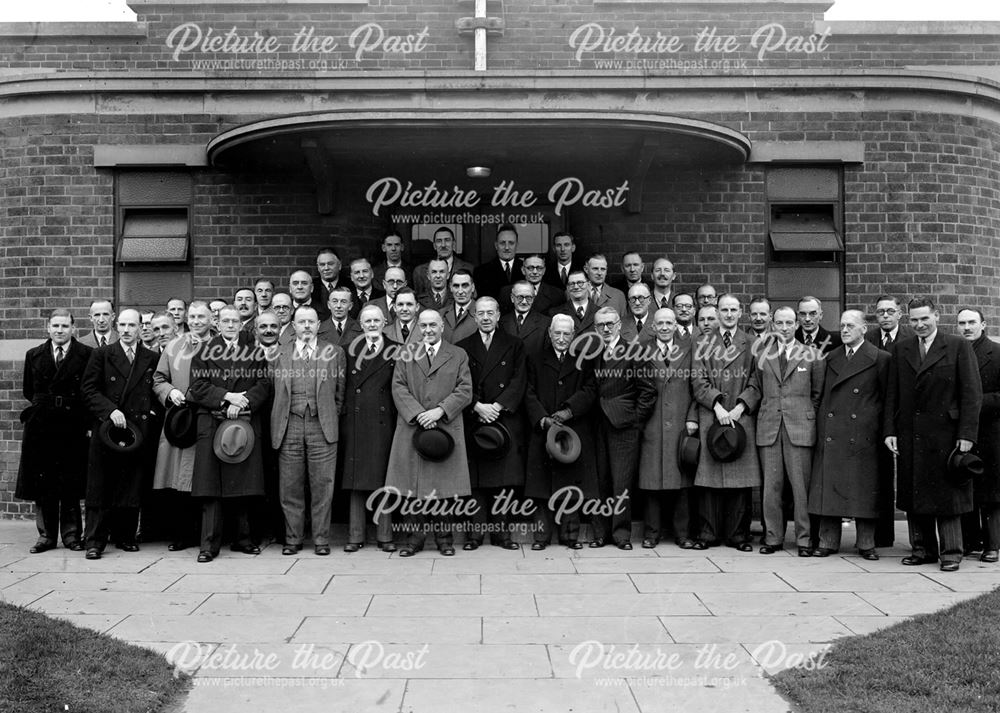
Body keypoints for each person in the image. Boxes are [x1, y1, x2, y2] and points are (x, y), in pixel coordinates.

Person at [884, 297, 982, 572]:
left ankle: (951, 552)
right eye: (914, 320)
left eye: (924, 318)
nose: (919, 324)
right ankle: (922, 549)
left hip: (947, 436)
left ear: (936, 316)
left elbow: (971, 395)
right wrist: (890, 431)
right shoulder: (901, 349)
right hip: (910, 433)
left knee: (947, 495)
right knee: (914, 492)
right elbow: (893, 393)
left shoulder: (957, 346)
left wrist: (967, 434)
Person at [187, 305, 272, 563]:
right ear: (217, 322)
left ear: (240, 324)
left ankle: (243, 539)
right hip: (213, 424)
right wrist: (226, 398)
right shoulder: (203, 351)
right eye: (226, 321)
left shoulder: (255, 353)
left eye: (235, 321)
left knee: (243, 483)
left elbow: (264, 384)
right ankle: (208, 545)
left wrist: (242, 402)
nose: (231, 325)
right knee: (212, 488)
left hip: (243, 422)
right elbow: (198, 387)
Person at [386, 309, 473, 557]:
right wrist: (418, 413)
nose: (428, 330)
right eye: (423, 326)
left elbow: (465, 389)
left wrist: (439, 411)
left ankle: (445, 541)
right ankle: (414, 541)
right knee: (412, 489)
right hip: (413, 427)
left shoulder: (458, 355)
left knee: (443, 490)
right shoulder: (405, 353)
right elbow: (398, 386)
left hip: (444, 427)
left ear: (442, 327)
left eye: (432, 325)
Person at [809, 309, 890, 560]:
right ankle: (828, 541)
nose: (844, 330)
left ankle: (866, 543)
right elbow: (821, 396)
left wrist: (882, 430)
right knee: (830, 487)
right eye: (842, 325)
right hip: (833, 433)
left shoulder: (880, 358)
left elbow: (888, 400)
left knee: (863, 488)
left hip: (864, 434)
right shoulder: (830, 358)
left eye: (850, 326)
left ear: (864, 329)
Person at [80, 308, 160, 559]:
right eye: (123, 325)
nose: (126, 330)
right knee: (100, 486)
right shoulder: (102, 354)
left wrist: (152, 414)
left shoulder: (150, 357)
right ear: (117, 326)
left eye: (132, 325)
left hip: (136, 431)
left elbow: (156, 391)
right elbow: (89, 389)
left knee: (130, 484)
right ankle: (94, 541)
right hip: (107, 429)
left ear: (140, 328)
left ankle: (125, 537)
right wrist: (110, 410)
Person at [16, 309, 93, 553]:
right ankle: (46, 535)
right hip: (42, 424)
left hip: (73, 423)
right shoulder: (34, 355)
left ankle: (71, 535)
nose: (60, 330)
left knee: (70, 480)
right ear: (48, 328)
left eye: (64, 326)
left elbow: (89, 390)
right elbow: (29, 390)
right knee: (43, 482)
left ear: (73, 328)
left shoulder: (86, 354)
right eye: (55, 326)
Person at [270, 306, 345, 556]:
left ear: (318, 325)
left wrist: (327, 414)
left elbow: (340, 393)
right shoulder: (279, 353)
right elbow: (272, 391)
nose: (306, 326)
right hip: (289, 423)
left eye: (311, 322)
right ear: (293, 325)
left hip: (322, 425)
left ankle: (322, 539)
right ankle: (293, 539)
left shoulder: (334, 352)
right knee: (290, 485)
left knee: (323, 485)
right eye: (301, 322)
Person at [523, 314, 599, 550]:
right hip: (543, 431)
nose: (562, 338)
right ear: (550, 333)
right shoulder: (534, 359)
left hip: (573, 431)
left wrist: (568, 411)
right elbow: (527, 392)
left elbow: (591, 389)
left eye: (567, 333)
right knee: (541, 488)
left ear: (574, 335)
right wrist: (543, 419)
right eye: (558, 333)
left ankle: (570, 536)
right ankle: (541, 538)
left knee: (571, 487)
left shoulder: (584, 360)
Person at [691, 294, 761, 550]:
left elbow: (756, 380)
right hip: (712, 415)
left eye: (733, 309)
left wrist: (741, 405)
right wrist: (717, 405)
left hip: (741, 418)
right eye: (724, 309)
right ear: (717, 312)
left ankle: (738, 536)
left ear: (740, 312)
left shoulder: (752, 343)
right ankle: (707, 534)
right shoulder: (702, 342)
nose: (729, 314)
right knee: (709, 480)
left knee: (739, 482)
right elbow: (697, 380)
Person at [457, 297, 527, 550]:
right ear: (474, 317)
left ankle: (502, 535)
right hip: (475, 418)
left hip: (503, 418)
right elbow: (459, 383)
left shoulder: (515, 345)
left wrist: (497, 406)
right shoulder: (462, 347)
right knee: (476, 482)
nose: (485, 318)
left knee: (503, 481)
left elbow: (520, 380)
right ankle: (474, 535)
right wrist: (477, 405)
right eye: (481, 313)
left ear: (499, 315)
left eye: (490, 313)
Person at [754, 307, 825, 556]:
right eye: (780, 323)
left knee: (800, 488)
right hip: (770, 427)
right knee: (771, 487)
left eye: (789, 323)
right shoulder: (762, 354)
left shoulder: (813, 355)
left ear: (797, 325)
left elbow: (817, 395)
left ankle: (804, 540)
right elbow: (758, 387)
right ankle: (773, 537)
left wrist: (804, 415)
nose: (784, 328)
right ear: (773, 324)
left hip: (799, 427)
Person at [588, 307, 657, 549]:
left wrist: (635, 421)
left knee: (622, 482)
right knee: (600, 481)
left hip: (624, 427)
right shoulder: (592, 353)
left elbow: (648, 391)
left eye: (610, 324)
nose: (605, 329)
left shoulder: (634, 351)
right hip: (597, 425)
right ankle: (600, 534)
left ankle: (621, 535)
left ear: (619, 325)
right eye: (600, 325)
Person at [637, 308, 700, 549]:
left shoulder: (690, 348)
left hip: (681, 423)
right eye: (660, 323)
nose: (664, 327)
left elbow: (697, 386)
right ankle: (651, 533)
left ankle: (682, 534)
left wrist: (692, 417)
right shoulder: (642, 350)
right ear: (653, 326)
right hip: (652, 424)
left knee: (681, 482)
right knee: (651, 480)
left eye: (669, 323)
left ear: (676, 325)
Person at [152, 301, 211, 551]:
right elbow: (158, 378)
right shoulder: (175, 346)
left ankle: (209, 535)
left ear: (211, 319)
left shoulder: (220, 345)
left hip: (210, 418)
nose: (197, 321)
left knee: (206, 479)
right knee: (180, 480)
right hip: (182, 421)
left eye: (202, 317)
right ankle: (183, 535)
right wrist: (170, 391)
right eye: (193, 316)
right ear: (186, 318)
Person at [340, 305, 399, 553]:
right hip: (355, 421)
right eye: (368, 321)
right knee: (355, 479)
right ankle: (355, 535)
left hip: (384, 422)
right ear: (361, 324)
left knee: (384, 479)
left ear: (384, 322)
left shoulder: (397, 350)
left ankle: (385, 536)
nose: (372, 325)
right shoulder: (348, 350)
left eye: (377, 320)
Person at [867, 294, 912, 547]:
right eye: (880, 311)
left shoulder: (909, 338)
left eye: (889, 311)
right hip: (874, 413)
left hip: (902, 413)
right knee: (878, 475)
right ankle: (881, 535)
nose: (885, 315)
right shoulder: (870, 338)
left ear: (899, 314)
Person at [957, 308, 1000, 563]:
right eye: (962, 323)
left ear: (983, 325)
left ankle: (992, 545)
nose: (967, 327)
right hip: (961, 433)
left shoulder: (996, 353)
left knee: (991, 493)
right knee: (965, 488)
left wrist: (973, 403)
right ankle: (970, 541)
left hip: (990, 433)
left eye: (972, 322)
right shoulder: (953, 352)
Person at [413, 227, 475, 294]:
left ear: (453, 243)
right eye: (439, 241)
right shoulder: (420, 271)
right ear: (434, 245)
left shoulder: (469, 269)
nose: (443, 245)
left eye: (447, 240)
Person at [498, 254, 563, 315]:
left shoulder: (556, 294)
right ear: (523, 270)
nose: (535, 272)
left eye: (539, 268)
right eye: (530, 268)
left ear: (544, 271)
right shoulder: (506, 292)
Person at [500, 281, 551, 355]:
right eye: (520, 297)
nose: (524, 302)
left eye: (528, 297)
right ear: (512, 298)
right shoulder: (501, 322)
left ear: (533, 298)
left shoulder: (546, 323)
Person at [473, 224, 522, 299]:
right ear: (496, 245)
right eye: (502, 243)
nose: (506, 247)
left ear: (517, 245)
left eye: (511, 243)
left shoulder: (526, 269)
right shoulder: (481, 272)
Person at [442, 270, 478, 344]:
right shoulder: (440, 314)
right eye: (456, 286)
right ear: (451, 288)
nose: (460, 291)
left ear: (473, 287)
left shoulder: (482, 314)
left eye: (465, 286)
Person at [311, 248, 344, 320]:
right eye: (322, 264)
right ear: (318, 267)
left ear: (339, 265)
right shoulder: (311, 287)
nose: (326, 268)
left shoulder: (350, 285)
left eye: (330, 264)